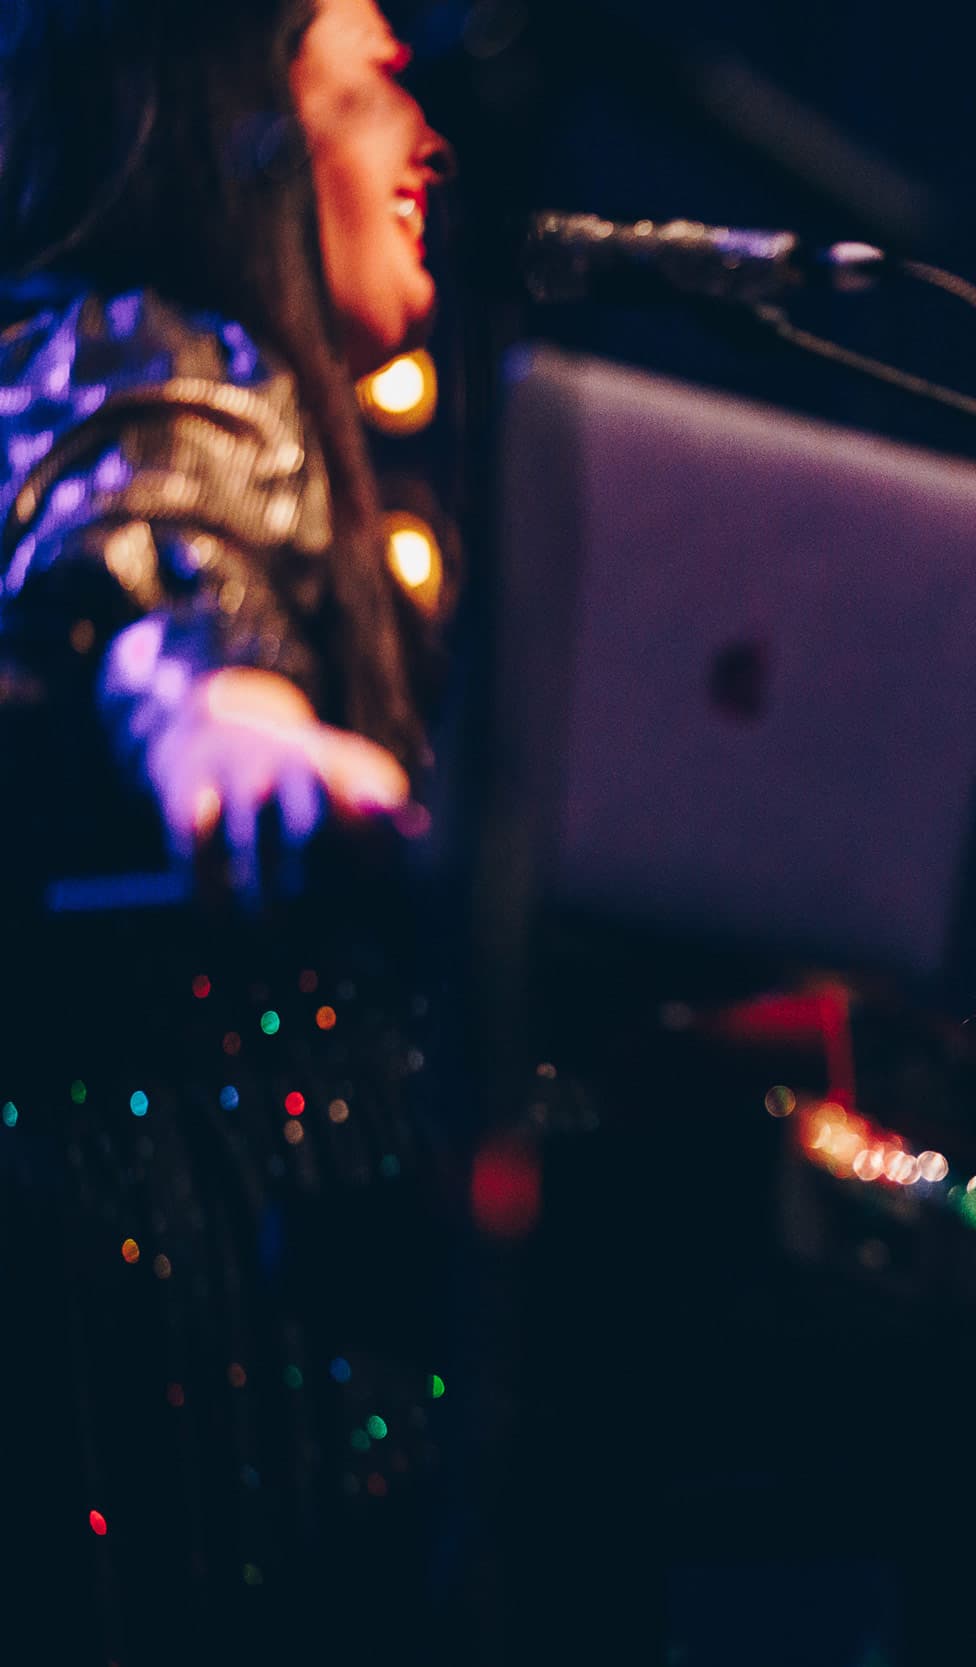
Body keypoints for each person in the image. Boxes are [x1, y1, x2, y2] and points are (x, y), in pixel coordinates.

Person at [0, 3, 456, 1660]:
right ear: (237, 115)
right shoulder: (152, 350)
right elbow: (142, 523)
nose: (437, 142)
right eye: (387, 86)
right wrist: (223, 716)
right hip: (175, 1294)